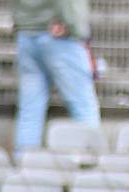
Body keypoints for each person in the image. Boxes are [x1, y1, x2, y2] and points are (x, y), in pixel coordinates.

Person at [13, 0, 99, 151]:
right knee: (83, 105)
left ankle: (24, 165)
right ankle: (93, 163)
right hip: (60, 34)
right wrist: (74, 27)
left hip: (26, 31)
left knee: (30, 110)